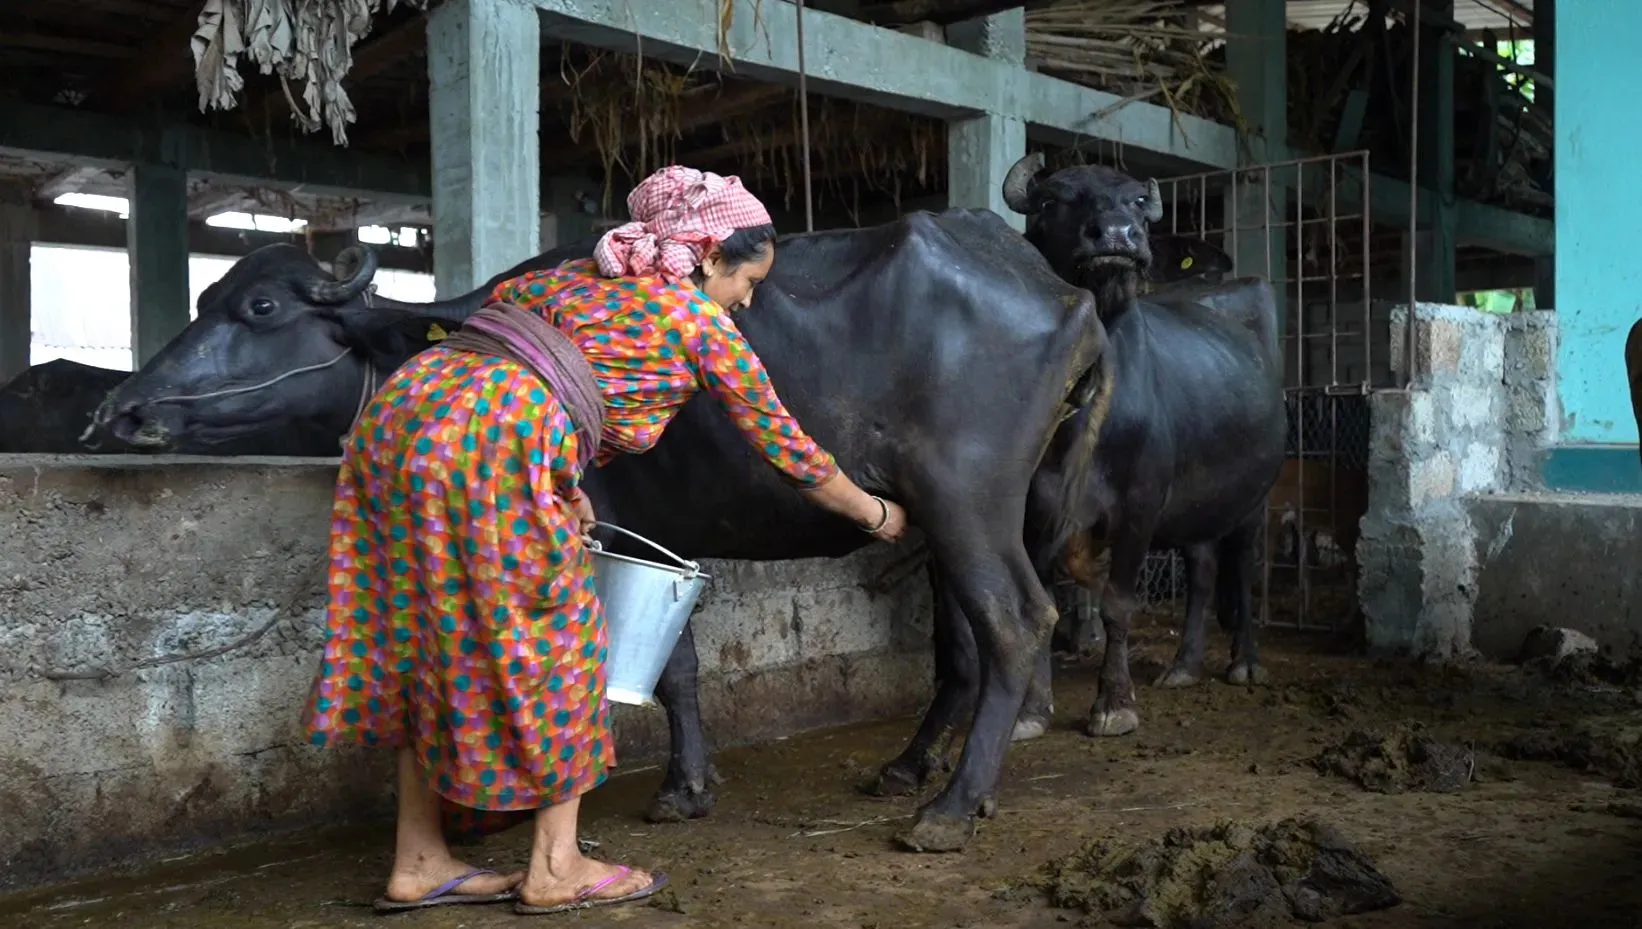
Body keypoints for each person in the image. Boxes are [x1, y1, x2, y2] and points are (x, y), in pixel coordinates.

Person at [301, 164, 909, 915]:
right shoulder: (694, 321)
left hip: (403, 417)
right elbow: (790, 452)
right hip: (496, 437)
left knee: (423, 636)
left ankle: (419, 860)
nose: (748, 300)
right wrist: (876, 514)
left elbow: (524, 358)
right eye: (747, 280)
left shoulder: (564, 278)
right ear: (710, 255)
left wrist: (568, 486)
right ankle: (555, 867)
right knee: (565, 640)